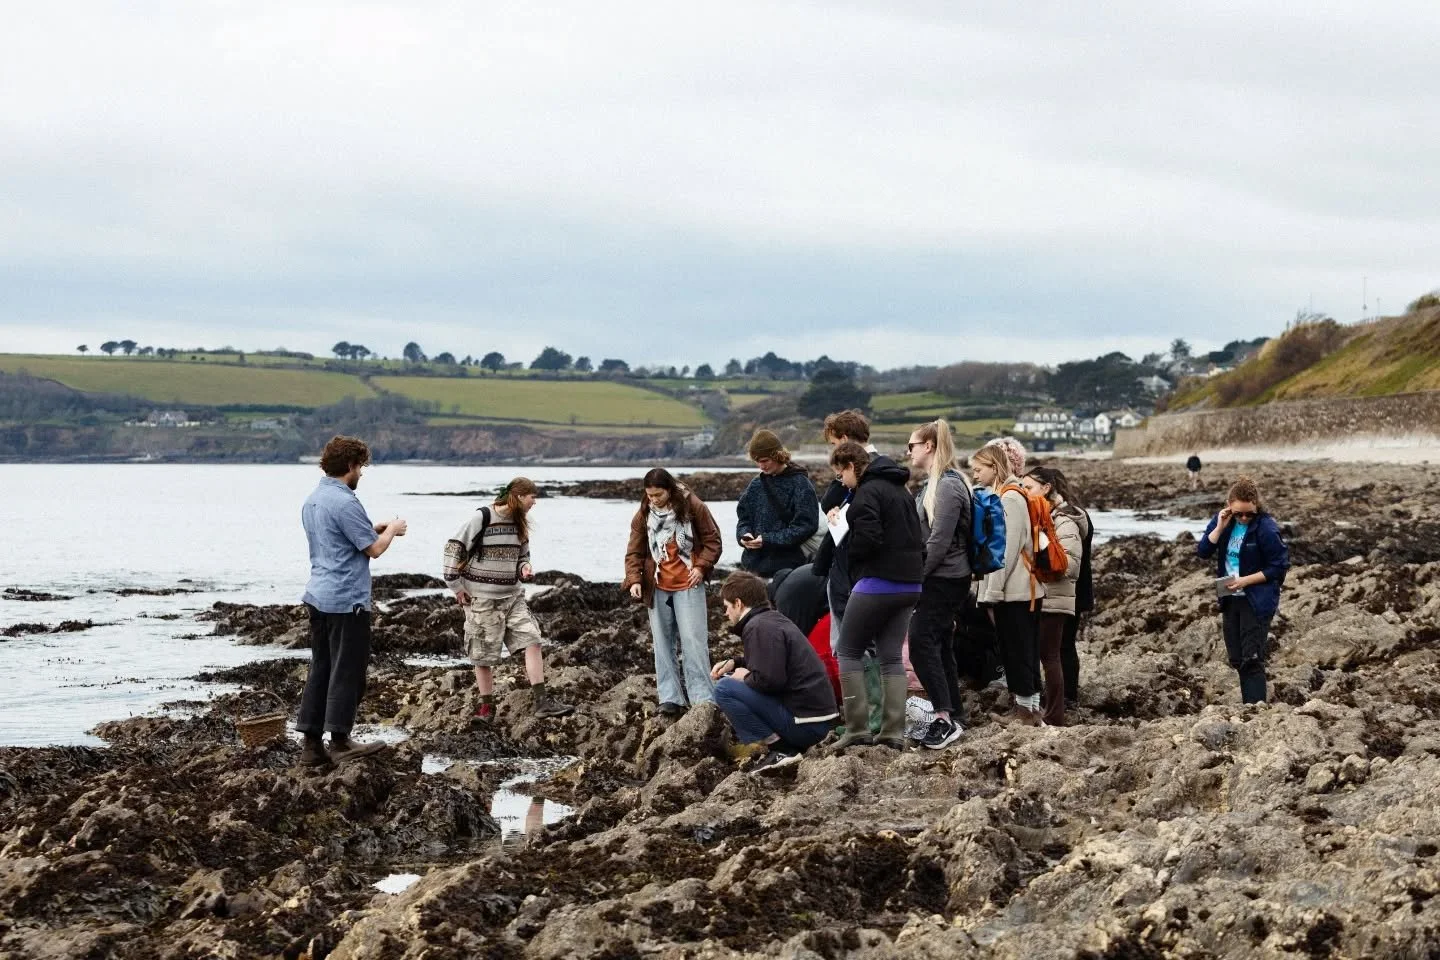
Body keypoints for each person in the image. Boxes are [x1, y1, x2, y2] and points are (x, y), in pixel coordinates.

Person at [297, 435, 407, 766]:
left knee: (321, 668)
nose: (361, 473)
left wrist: (372, 527)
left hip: (319, 594)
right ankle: (341, 742)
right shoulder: (345, 502)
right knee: (348, 671)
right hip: (347, 599)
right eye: (361, 467)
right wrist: (393, 530)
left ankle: (311, 746)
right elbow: (373, 549)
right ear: (350, 466)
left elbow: (339, 538)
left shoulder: (313, 499)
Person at [442, 478, 575, 723]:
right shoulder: (482, 518)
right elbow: (453, 548)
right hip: (482, 599)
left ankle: (542, 701)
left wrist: (524, 568)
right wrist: (456, 587)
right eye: (532, 497)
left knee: (533, 640)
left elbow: (523, 555)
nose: (534, 502)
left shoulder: (520, 523)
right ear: (518, 496)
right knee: (482, 655)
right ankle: (486, 708)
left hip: (513, 597)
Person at [828, 441, 925, 750]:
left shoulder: (867, 493)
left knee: (848, 650)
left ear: (850, 466)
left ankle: (856, 729)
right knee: (891, 656)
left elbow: (868, 537)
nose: (841, 482)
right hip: (911, 584)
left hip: (878, 582)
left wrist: (847, 542)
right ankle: (892, 733)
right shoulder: (901, 490)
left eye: (840, 474)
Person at [712, 572, 840, 773]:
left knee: (725, 688)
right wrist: (735, 663)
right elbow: (773, 661)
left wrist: (743, 677)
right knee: (732, 680)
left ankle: (781, 749)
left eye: (727, 607)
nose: (726, 614)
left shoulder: (759, 627)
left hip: (807, 726)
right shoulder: (770, 620)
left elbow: (770, 681)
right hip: (817, 720)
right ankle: (784, 747)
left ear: (738, 603)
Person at [622, 468, 723, 717]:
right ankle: (670, 698)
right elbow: (634, 550)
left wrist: (701, 567)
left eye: (658, 494)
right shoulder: (645, 512)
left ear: (669, 489)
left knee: (693, 642)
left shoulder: (693, 505)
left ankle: (702, 698)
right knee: (662, 643)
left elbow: (713, 540)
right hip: (657, 585)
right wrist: (634, 579)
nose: (653, 499)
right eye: (649, 495)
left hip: (689, 582)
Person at [906, 418, 973, 750]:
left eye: (912, 446)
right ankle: (954, 712)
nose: (909, 452)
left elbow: (938, 542)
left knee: (921, 641)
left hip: (945, 578)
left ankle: (944, 717)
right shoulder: (936, 484)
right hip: (942, 576)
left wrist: (914, 580)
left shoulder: (947, 486)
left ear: (928, 446)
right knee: (940, 643)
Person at [1196, 476, 1290, 704]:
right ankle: (1251, 703)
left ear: (1257, 508)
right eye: (1239, 513)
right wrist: (1219, 527)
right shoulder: (1224, 522)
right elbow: (1203, 551)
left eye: (1250, 513)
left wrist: (1246, 581)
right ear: (1229, 507)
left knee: (1252, 657)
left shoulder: (1266, 528)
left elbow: (1279, 566)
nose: (1245, 518)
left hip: (1256, 599)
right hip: (1230, 598)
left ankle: (1255, 709)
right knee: (1237, 657)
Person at [971, 443, 1045, 724]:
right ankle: (1031, 708)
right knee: (1024, 648)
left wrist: (992, 591)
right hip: (1022, 588)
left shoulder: (1010, 498)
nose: (975, 475)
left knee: (1017, 649)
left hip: (1016, 591)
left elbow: (1006, 550)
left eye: (979, 469)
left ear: (994, 467)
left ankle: (1024, 711)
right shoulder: (1009, 495)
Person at [1021, 466, 1086, 727]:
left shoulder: (1064, 521)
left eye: (1029, 487)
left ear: (1046, 489)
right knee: (1040, 655)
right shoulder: (1041, 517)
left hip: (1054, 597)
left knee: (1050, 657)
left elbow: (1071, 566)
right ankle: (1040, 711)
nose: (1024, 492)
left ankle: (1054, 715)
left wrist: (1044, 553)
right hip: (1041, 596)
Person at [812, 410, 879, 653]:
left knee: (849, 643)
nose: (833, 451)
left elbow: (829, 499)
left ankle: (857, 691)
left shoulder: (863, 469)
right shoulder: (879, 466)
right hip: (854, 563)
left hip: (852, 564)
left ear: (845, 438)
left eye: (833, 443)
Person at [735, 430, 820, 577]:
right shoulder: (756, 485)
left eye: (765, 460)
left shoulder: (800, 484)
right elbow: (744, 519)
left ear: (778, 455)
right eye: (757, 461)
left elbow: (807, 526)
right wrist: (744, 536)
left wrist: (767, 540)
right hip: (753, 567)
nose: (761, 466)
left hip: (787, 568)